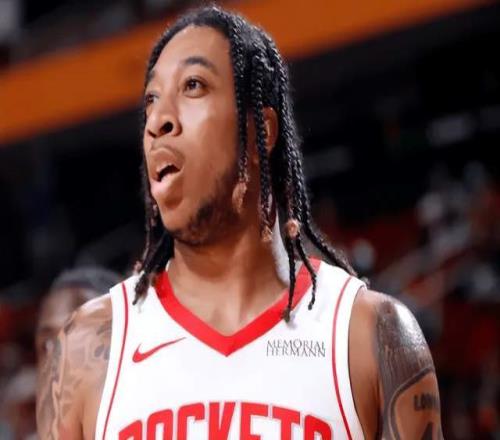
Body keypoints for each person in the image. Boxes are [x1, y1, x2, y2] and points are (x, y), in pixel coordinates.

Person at [37, 6, 443, 439]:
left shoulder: (368, 335)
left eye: (193, 86)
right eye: (151, 100)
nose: (158, 121)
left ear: (260, 131)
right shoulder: (86, 350)